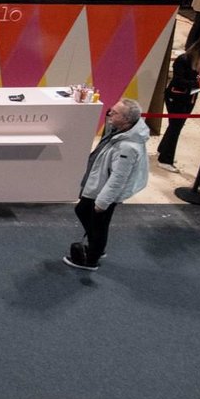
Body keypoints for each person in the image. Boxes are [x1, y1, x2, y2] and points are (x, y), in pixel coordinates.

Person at [63, 98, 149, 271]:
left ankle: (91, 259)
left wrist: (102, 202)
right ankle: (96, 247)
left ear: (126, 120)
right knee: (85, 213)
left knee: (98, 223)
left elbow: (118, 178)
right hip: (101, 185)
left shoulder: (127, 147)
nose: (109, 114)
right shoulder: (120, 131)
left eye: (114, 113)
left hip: (105, 192)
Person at [156, 36, 200, 172]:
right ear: (199, 49)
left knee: (175, 126)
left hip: (189, 99)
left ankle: (163, 150)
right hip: (176, 97)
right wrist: (197, 84)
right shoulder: (183, 60)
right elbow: (178, 81)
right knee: (175, 127)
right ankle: (165, 160)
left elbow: (198, 78)